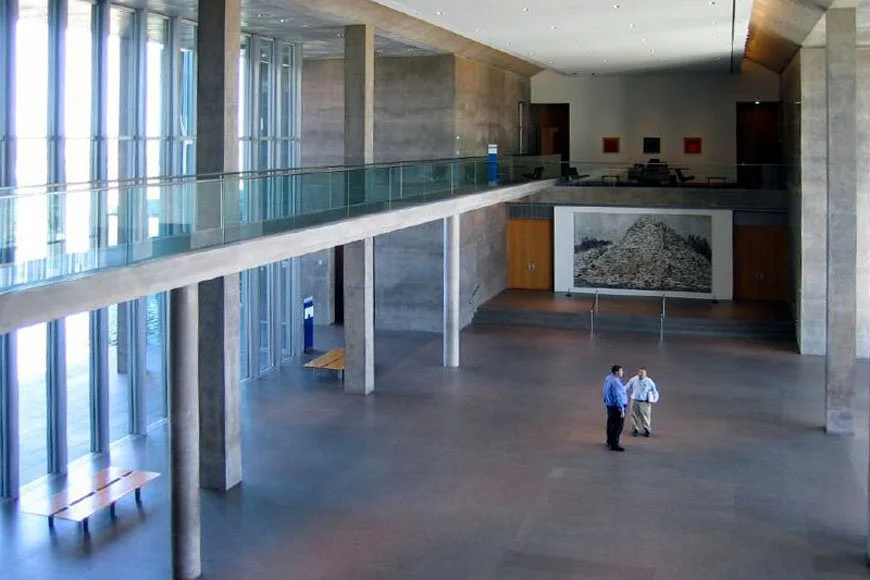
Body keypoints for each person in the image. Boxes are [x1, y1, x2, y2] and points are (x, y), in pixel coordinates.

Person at [625, 367, 659, 437]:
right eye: (639, 372)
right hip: (634, 400)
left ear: (645, 374)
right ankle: (635, 429)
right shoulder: (633, 379)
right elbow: (627, 386)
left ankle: (647, 429)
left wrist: (655, 399)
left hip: (644, 402)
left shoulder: (649, 381)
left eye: (642, 373)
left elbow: (654, 391)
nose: (640, 374)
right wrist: (621, 390)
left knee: (645, 416)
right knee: (634, 415)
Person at [602, 365, 627, 452]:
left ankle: (609, 440)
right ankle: (615, 444)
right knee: (618, 426)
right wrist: (621, 409)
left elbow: (605, 391)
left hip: (610, 405)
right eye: (621, 371)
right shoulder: (616, 382)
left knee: (610, 423)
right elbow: (618, 396)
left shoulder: (608, 378)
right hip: (616, 406)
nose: (622, 372)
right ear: (616, 372)